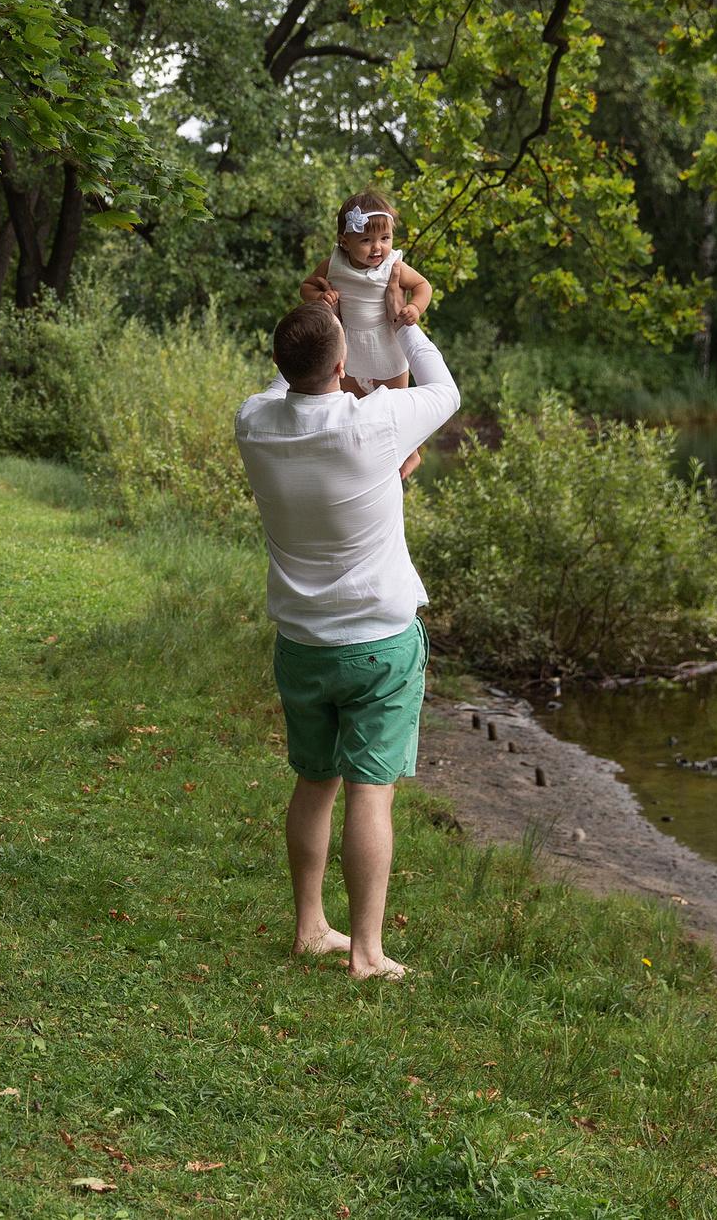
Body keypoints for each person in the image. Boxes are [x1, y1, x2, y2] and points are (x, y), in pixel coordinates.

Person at [232, 299, 460, 976]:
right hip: (379, 645)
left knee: (315, 779)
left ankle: (310, 927)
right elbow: (444, 389)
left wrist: (320, 323)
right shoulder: (375, 422)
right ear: (343, 363)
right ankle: (366, 950)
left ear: (280, 365)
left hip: (302, 644)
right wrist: (400, 321)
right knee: (370, 789)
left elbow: (284, 384)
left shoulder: (255, 423)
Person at [305, 190, 433, 392]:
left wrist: (415, 307)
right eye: (366, 240)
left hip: (387, 347)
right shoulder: (333, 265)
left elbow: (422, 286)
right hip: (349, 348)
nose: (377, 247)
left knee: (394, 406)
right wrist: (319, 297)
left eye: (385, 238)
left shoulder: (391, 265)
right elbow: (307, 287)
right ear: (345, 243)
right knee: (352, 408)